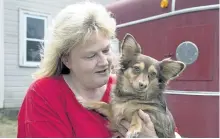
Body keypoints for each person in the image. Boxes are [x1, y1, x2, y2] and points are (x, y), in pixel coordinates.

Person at [17, 1, 181, 138]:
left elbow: (171, 132)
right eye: (91, 56)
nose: (104, 62)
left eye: (106, 50)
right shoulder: (45, 94)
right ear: (66, 59)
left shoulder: (126, 87)